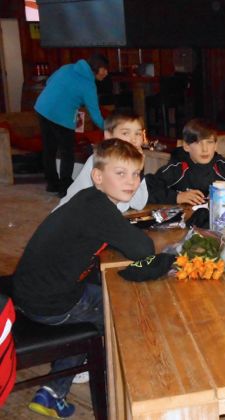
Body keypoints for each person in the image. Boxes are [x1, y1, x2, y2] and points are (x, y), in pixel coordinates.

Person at [12, 139, 155, 418]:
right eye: (121, 173)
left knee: (99, 296)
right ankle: (126, 390)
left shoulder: (88, 200)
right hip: (51, 304)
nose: (131, 181)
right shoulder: (99, 209)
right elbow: (143, 249)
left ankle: (53, 392)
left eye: (136, 174)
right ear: (97, 176)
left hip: (30, 292)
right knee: (121, 311)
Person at [146, 118, 225, 205]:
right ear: (186, 146)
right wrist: (177, 197)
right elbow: (145, 190)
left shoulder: (223, 167)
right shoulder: (177, 168)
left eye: (209, 142)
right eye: (198, 143)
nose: (205, 149)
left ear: (216, 145)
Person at [35, 53, 108, 197]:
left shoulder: (67, 67)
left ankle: (52, 184)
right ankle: (65, 186)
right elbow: (95, 113)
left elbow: (49, 81)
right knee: (67, 151)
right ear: (97, 68)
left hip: (42, 108)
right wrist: (108, 129)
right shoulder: (88, 85)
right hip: (61, 117)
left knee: (49, 149)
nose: (106, 73)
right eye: (104, 69)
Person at [55, 111, 148, 213]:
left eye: (138, 133)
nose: (133, 139)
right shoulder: (100, 160)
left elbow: (139, 204)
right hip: (72, 214)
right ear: (108, 135)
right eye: (125, 133)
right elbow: (109, 207)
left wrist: (140, 170)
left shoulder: (132, 165)